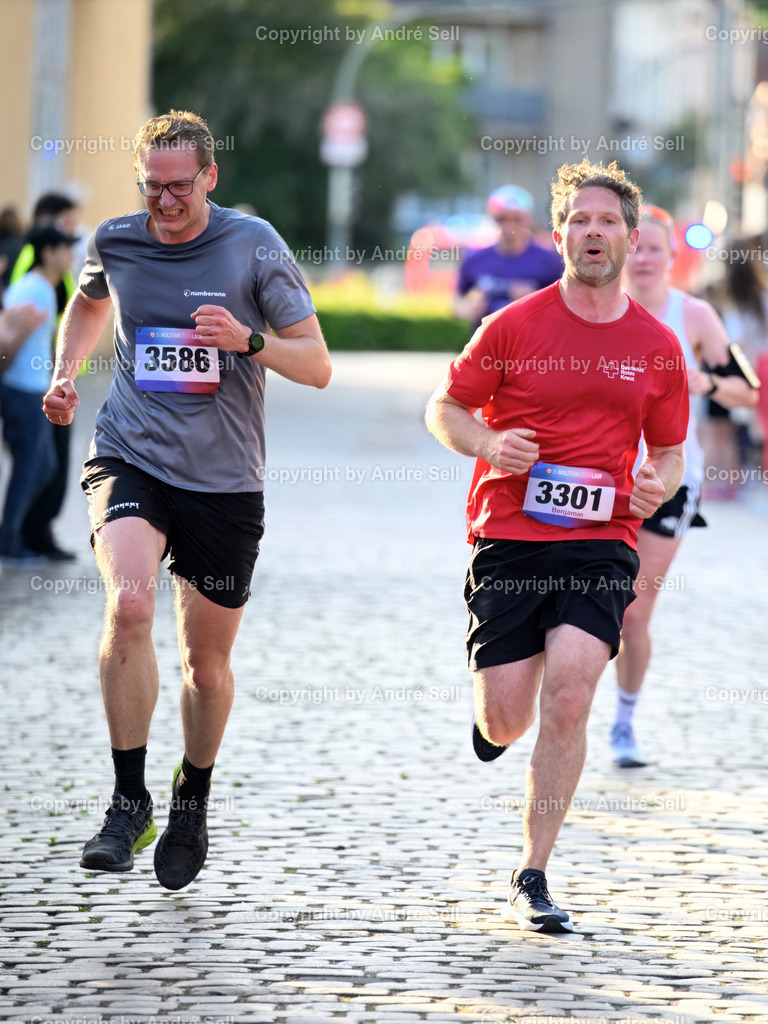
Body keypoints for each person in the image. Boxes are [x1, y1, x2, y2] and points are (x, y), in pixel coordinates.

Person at [43, 109, 331, 890]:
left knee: (207, 666)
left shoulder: (253, 243)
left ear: (210, 176)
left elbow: (317, 365)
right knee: (128, 607)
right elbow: (91, 301)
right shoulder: (117, 238)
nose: (164, 204)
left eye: (179, 187)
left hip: (224, 478)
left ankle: (191, 798)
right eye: (152, 187)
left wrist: (247, 341)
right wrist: (64, 372)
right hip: (130, 453)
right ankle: (127, 800)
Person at [425, 159, 689, 933]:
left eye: (609, 221)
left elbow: (670, 452)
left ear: (630, 237)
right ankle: (493, 722)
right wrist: (488, 439)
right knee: (508, 719)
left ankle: (533, 871)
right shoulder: (512, 324)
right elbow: (445, 408)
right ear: (560, 234)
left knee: (571, 692)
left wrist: (658, 484)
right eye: (580, 220)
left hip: (602, 539)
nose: (594, 232)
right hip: (508, 534)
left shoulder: (657, 346)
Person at [611, 207, 760, 767]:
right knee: (576, 602)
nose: (644, 258)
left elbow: (745, 393)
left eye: (656, 249)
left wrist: (706, 380)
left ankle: (623, 723)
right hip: (595, 475)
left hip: (672, 477)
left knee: (632, 613)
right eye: (637, 247)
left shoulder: (692, 315)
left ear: (672, 259)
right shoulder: (596, 307)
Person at [11, 193, 83, 561]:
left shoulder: (60, 274)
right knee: (39, 462)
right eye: (67, 223)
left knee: (49, 463)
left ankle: (35, 533)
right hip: (33, 386)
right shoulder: (33, 271)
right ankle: (23, 535)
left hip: (53, 382)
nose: (72, 234)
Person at [453, 185, 563, 328]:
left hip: (533, 343)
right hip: (487, 344)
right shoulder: (475, 259)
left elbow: (565, 303)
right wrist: (469, 309)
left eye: (516, 219)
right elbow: (456, 301)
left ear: (528, 219)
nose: (509, 225)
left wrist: (534, 300)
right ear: (493, 218)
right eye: (502, 218)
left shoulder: (549, 260)